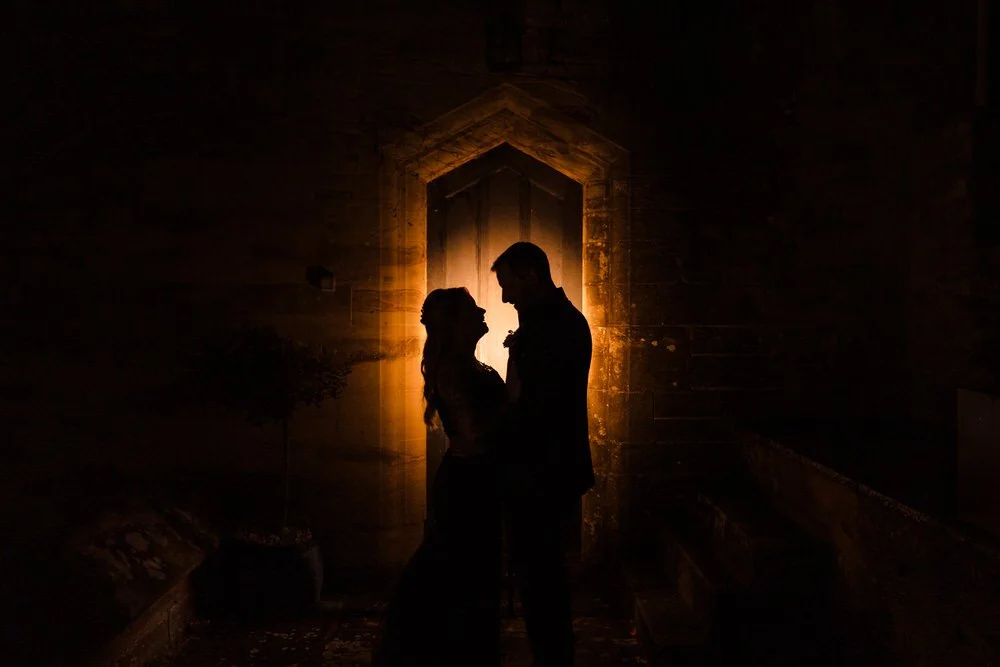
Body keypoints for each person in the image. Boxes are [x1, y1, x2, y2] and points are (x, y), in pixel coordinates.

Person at [373, 287, 509, 667]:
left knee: (470, 568)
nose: (482, 309)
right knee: (460, 569)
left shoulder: (465, 364)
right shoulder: (454, 369)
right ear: (454, 324)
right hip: (469, 483)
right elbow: (474, 436)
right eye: (471, 309)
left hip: (475, 477)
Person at [493, 242, 594, 667]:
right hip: (547, 468)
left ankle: (553, 657)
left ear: (531, 274)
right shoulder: (554, 322)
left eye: (508, 284)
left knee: (541, 578)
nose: (504, 296)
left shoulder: (551, 328)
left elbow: (535, 408)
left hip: (542, 472)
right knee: (540, 575)